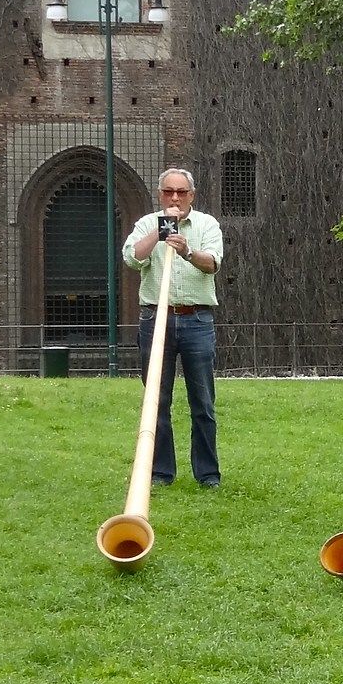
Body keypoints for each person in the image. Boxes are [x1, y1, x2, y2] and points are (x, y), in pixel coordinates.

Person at [124, 167, 223, 487]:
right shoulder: (146, 224)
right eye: (169, 192)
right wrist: (159, 229)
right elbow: (132, 258)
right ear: (160, 194)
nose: (175, 198)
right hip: (156, 319)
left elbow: (213, 263)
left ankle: (208, 475)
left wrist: (187, 251)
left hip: (197, 320)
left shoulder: (207, 224)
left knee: (203, 403)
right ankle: (161, 473)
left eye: (181, 192)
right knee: (157, 400)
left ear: (192, 195)